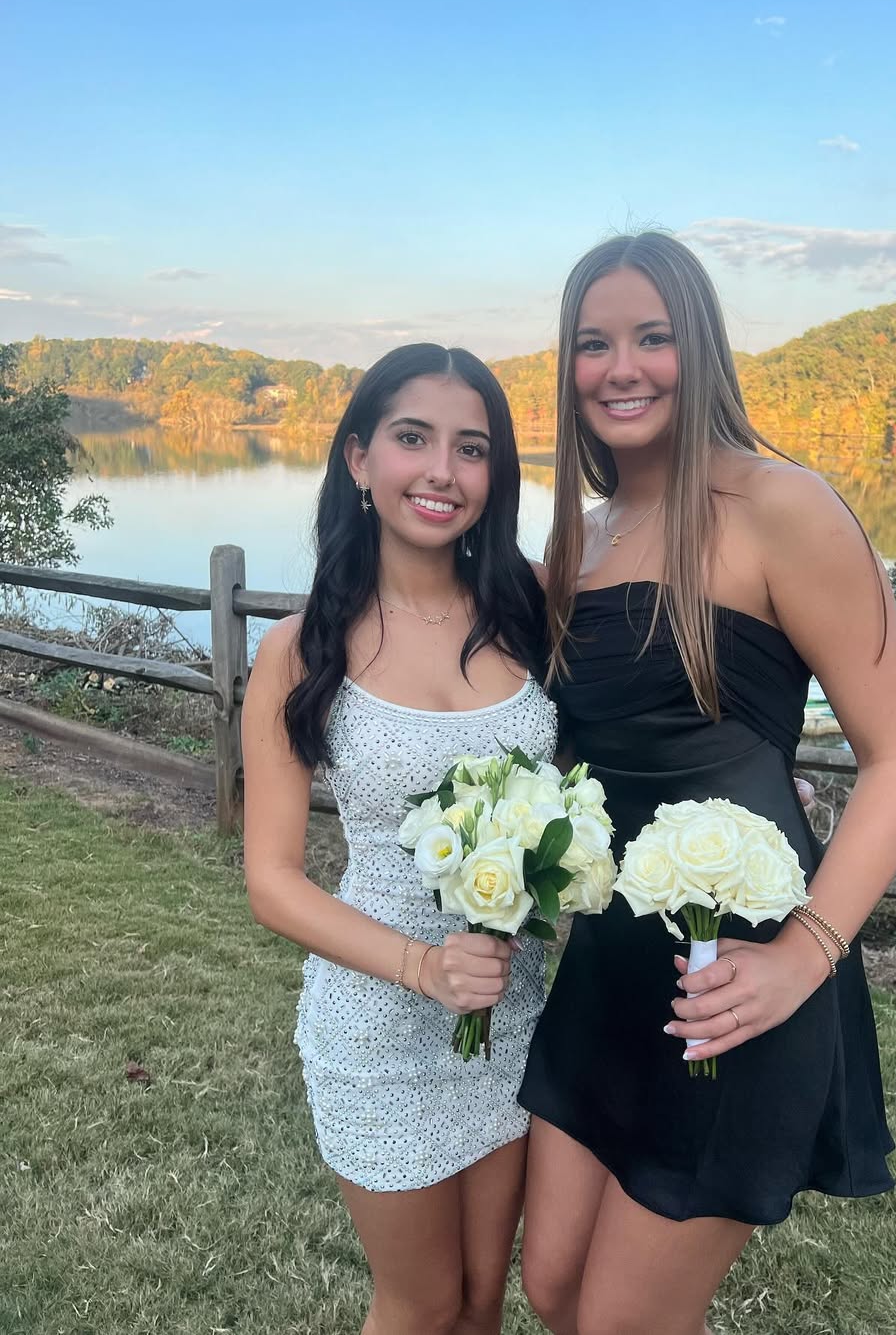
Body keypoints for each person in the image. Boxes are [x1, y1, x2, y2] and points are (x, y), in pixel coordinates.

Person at [518, 233, 896, 1335]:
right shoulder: (576, 544)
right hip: (607, 967)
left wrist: (804, 952)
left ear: (697, 346)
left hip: (739, 975)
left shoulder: (782, 506)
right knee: (554, 1288)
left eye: (651, 337)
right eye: (594, 343)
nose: (621, 367)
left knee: (620, 1320)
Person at [241, 344, 557, 1335]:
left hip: (510, 1006)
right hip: (378, 1017)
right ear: (358, 457)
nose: (442, 472)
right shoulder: (301, 648)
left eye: (472, 449)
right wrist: (424, 967)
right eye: (413, 438)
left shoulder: (532, 612)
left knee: (481, 1300)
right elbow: (272, 880)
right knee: (420, 1304)